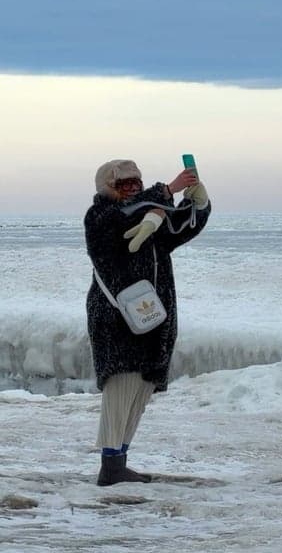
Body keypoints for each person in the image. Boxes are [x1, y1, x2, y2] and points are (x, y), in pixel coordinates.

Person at [85, 158, 211, 486]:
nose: (132, 189)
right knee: (120, 388)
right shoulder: (100, 216)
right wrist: (167, 190)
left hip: (151, 320)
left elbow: (181, 226)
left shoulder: (148, 215)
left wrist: (197, 201)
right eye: (123, 184)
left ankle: (119, 462)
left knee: (140, 390)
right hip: (116, 320)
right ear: (107, 189)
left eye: (136, 183)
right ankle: (110, 465)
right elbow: (127, 215)